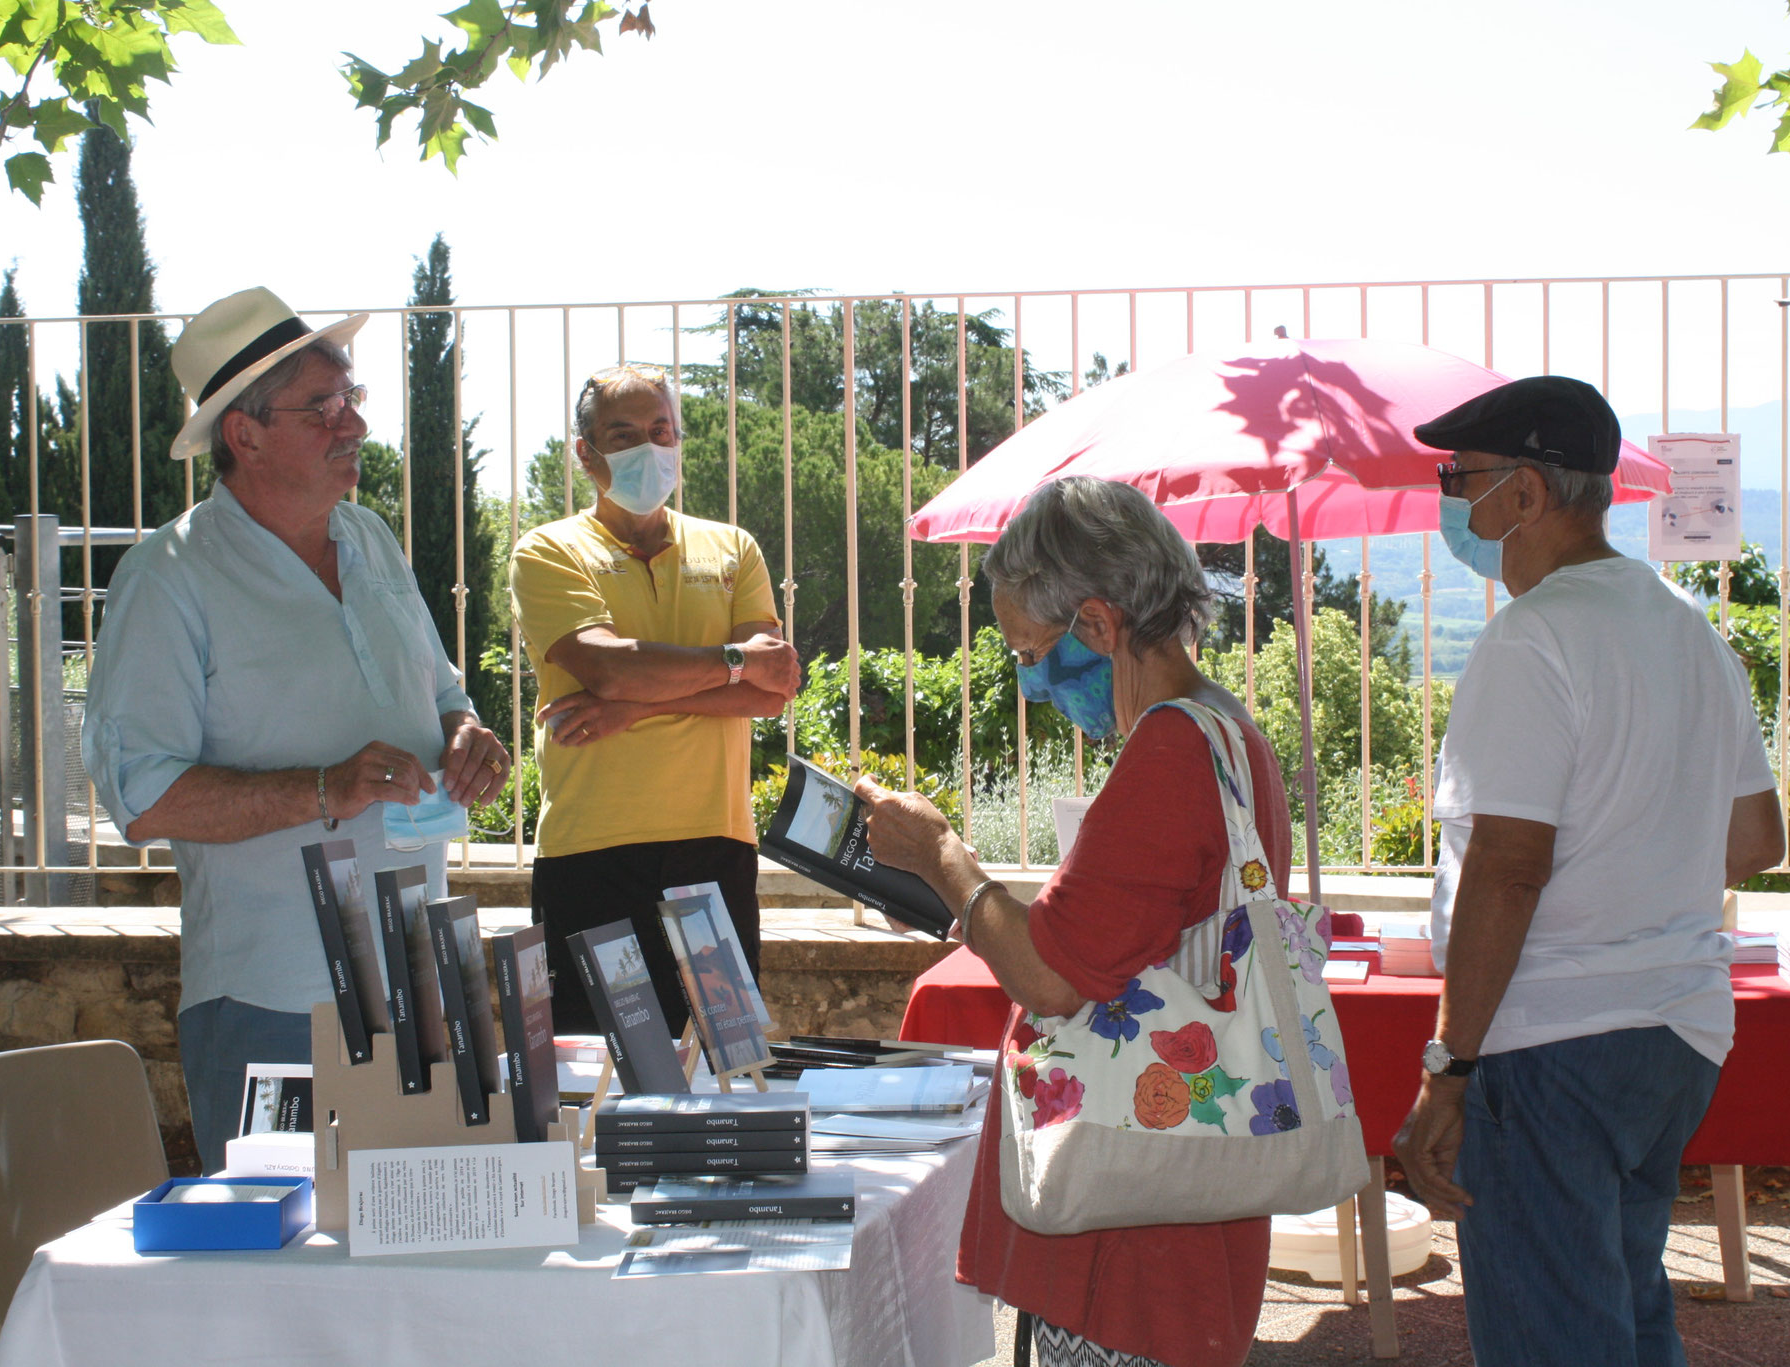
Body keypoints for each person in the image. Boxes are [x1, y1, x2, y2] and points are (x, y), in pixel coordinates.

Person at [1391, 376, 1785, 1367]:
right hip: (1674, 1030)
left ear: (1524, 493)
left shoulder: (1529, 638)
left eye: (1460, 478)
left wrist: (1448, 1068)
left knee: (1554, 1336)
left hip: (1549, 1040)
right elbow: (1753, 840)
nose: (1451, 500)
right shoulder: (1689, 631)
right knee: (1620, 1309)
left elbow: (1505, 868)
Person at [858, 476, 1288, 1367]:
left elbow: (1054, 974)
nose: (1030, 681)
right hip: (1181, 1194)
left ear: (1097, 625)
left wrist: (941, 853)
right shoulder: (1227, 732)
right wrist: (982, 914)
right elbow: (1115, 928)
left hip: (1136, 1221)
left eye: (1028, 652)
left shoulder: (1170, 750)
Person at [82, 287, 510, 1172]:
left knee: (432, 1255)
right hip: (276, 1002)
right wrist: (325, 787)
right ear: (243, 433)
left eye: (350, 398)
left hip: (423, 980)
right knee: (281, 1286)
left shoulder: (372, 540)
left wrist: (470, 735)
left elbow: (443, 696)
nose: (352, 423)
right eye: (323, 406)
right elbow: (143, 794)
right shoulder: (168, 578)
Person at [508, 363, 799, 1035]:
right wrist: (729, 663)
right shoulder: (549, 550)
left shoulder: (733, 548)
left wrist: (637, 706)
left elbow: (772, 687)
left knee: (724, 1069)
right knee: (599, 1083)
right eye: (624, 433)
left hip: (715, 858)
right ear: (585, 452)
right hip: (590, 863)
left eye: (661, 429)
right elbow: (607, 668)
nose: (649, 445)